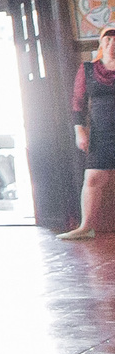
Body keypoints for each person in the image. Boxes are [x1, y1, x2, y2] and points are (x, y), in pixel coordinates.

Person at [66, 25, 115, 239]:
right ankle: (86, 226)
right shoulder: (88, 69)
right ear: (101, 43)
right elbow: (78, 103)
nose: (112, 45)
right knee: (93, 178)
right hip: (101, 133)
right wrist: (80, 131)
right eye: (108, 40)